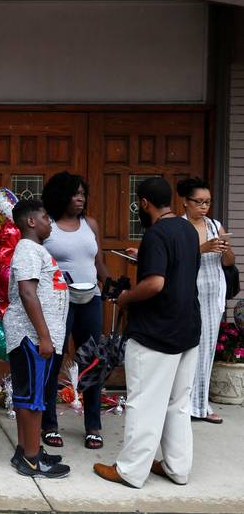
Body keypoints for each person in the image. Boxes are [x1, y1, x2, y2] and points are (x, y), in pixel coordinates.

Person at [94, 177, 201, 488]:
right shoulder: (187, 230)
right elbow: (177, 267)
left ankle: (130, 471)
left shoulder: (155, 234)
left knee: (144, 402)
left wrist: (126, 298)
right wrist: (143, 257)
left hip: (157, 332)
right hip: (188, 328)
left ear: (143, 203)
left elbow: (155, 283)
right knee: (178, 403)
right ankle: (177, 469)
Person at [41, 172, 109, 449]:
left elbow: (98, 262)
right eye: (74, 193)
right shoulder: (48, 226)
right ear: (60, 196)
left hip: (90, 300)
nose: (80, 198)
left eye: (83, 193)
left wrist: (112, 287)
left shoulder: (89, 224)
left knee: (93, 360)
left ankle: (93, 425)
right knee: (53, 360)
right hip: (59, 302)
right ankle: (49, 424)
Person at [3, 200, 71, 478]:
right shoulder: (29, 250)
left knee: (27, 396)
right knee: (34, 399)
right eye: (45, 217)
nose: (50, 222)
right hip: (32, 338)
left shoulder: (34, 250)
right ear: (31, 221)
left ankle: (25, 450)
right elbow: (28, 293)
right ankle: (32, 460)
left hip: (34, 337)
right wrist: (44, 337)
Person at [178, 178, 235, 424]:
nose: (203, 207)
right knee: (185, 348)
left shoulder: (215, 225)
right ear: (185, 202)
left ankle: (201, 405)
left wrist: (225, 248)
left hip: (212, 294)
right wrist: (202, 248)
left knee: (206, 349)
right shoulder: (178, 227)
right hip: (186, 293)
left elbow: (229, 263)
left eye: (207, 202)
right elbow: (176, 259)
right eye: (198, 202)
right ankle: (182, 404)